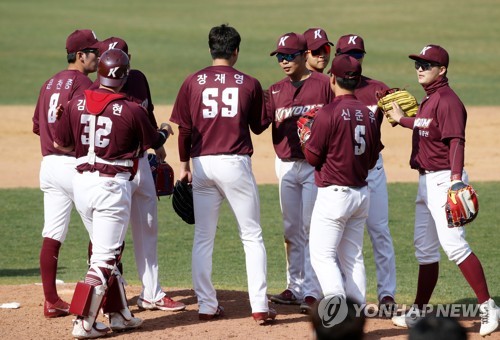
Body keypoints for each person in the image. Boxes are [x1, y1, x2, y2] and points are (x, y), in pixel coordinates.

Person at [54, 48, 171, 339]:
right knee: (105, 259)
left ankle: (119, 315)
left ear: (100, 73)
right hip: (111, 186)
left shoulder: (76, 102)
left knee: (109, 250)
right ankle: (83, 322)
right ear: (125, 75)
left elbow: (64, 146)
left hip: (81, 183)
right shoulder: (131, 108)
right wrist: (167, 132)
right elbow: (152, 141)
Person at [386, 44, 500, 337]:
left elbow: (456, 141)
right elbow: (426, 126)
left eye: (427, 64)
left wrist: (456, 180)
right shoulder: (430, 99)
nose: (420, 68)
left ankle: (488, 307)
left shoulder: (448, 101)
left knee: (454, 245)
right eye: (418, 64)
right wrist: (402, 120)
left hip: (443, 182)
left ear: (442, 69)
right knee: (424, 250)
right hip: (425, 183)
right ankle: (419, 311)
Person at [169, 24, 276, 324]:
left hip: (202, 164)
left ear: (211, 49)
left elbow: (184, 130)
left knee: (203, 237)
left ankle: (206, 305)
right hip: (234, 163)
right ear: (236, 51)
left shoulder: (193, 81)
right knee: (252, 235)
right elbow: (258, 126)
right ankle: (259, 307)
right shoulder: (249, 83)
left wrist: (184, 166)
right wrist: (272, 106)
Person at [93, 37, 185, 312]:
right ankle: (110, 296)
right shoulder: (94, 90)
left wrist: (158, 146)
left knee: (147, 227)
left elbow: (147, 111)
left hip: (141, 161)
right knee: (109, 237)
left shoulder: (139, 78)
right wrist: (162, 135)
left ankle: (151, 293)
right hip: (112, 171)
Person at [32, 29, 101, 318]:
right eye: (93, 51)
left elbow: (38, 125)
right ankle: (102, 299)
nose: (98, 56)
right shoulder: (85, 83)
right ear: (80, 55)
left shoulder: (49, 82)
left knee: (52, 233)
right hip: (75, 166)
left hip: (49, 166)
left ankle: (51, 301)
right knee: (102, 233)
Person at [305, 54, 380, 306]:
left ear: (332, 78)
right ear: (358, 81)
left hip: (334, 196)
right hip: (361, 195)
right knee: (353, 257)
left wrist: (305, 138)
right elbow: (371, 161)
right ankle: (356, 314)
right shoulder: (369, 115)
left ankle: (338, 315)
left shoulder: (328, 113)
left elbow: (313, 158)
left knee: (322, 256)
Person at [266, 32, 333, 314]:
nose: (284, 62)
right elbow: (258, 123)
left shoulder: (323, 84)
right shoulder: (275, 90)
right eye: (280, 57)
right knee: (291, 229)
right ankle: (294, 286)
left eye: (289, 56)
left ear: (303, 56)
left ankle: (311, 291)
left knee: (311, 227)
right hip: (285, 165)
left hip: (312, 167)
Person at [335, 34, 397, 313]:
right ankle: (343, 296)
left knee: (379, 231)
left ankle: (387, 295)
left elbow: (399, 119)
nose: (353, 60)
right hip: (341, 175)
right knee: (341, 240)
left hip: (371, 171)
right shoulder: (330, 88)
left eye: (358, 55)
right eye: (347, 55)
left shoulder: (378, 89)